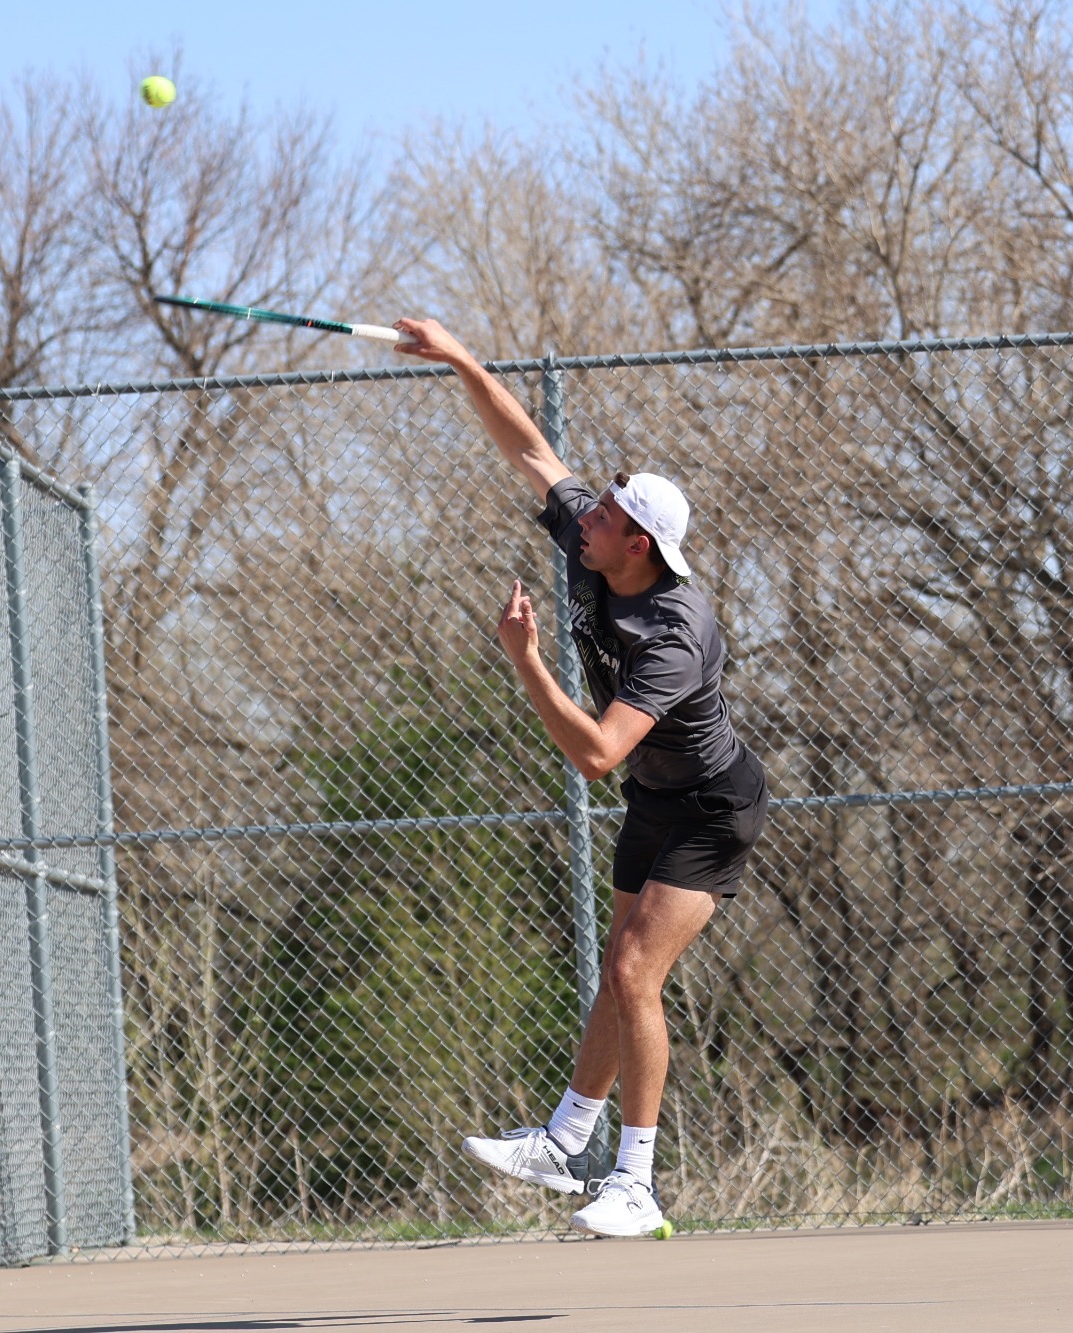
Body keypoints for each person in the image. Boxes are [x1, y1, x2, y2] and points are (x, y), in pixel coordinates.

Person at [394, 318, 769, 1238]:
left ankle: (636, 1183)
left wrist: (525, 660)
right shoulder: (599, 545)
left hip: (715, 807)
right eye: (592, 508)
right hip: (657, 795)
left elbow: (596, 754)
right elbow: (528, 446)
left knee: (638, 971)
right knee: (618, 970)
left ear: (637, 544)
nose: (582, 515)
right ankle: (567, 1142)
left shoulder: (675, 634)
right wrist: (458, 358)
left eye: (601, 514)